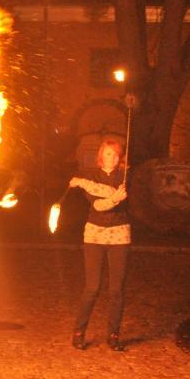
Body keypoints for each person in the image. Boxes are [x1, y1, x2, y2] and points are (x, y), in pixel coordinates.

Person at [69, 139, 130, 352]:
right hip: (94, 235)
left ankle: (113, 335)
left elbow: (124, 197)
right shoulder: (92, 176)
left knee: (116, 290)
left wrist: (118, 193)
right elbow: (98, 204)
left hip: (119, 236)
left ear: (119, 157)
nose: (111, 158)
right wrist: (114, 197)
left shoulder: (125, 177)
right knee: (92, 287)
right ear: (101, 156)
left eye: (115, 154)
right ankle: (78, 332)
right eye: (107, 154)